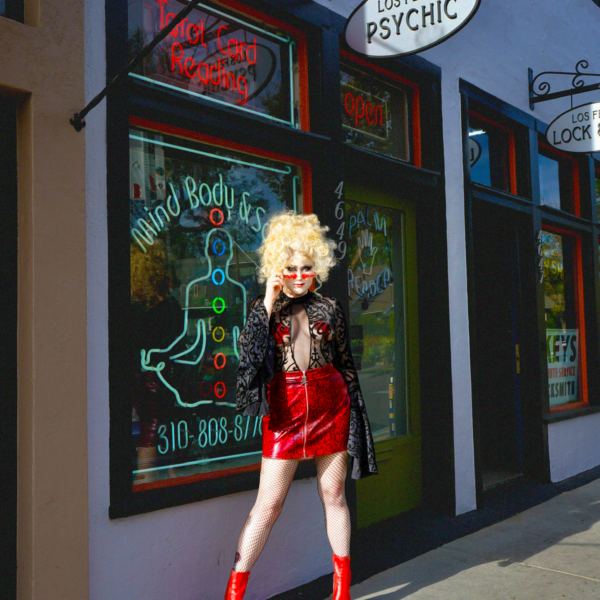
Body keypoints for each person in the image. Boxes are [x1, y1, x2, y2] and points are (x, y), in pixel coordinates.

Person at [224, 212, 378, 600]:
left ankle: (342, 592)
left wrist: (356, 414)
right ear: (277, 267)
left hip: (331, 406)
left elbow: (345, 363)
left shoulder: (330, 307)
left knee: (334, 495)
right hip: (285, 413)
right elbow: (249, 357)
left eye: (306, 268)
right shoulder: (264, 308)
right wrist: (269, 298)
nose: (298, 276)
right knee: (269, 504)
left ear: (317, 268)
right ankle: (234, 593)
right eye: (290, 268)